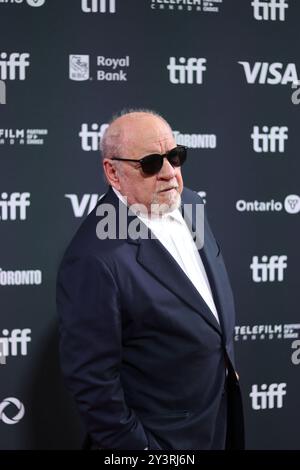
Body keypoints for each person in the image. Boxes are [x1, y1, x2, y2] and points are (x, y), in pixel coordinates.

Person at [56, 109, 244, 450]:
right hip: (161, 442)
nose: (170, 173)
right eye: (151, 163)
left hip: (218, 420)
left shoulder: (190, 203)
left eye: (175, 156)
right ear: (113, 172)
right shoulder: (94, 258)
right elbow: (93, 384)